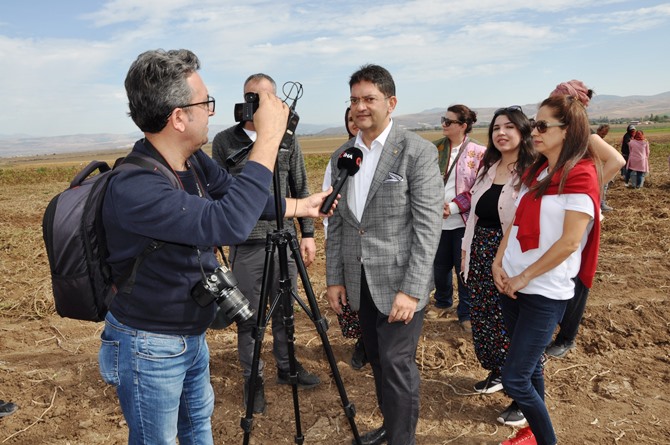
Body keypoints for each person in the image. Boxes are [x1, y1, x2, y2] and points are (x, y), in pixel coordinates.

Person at [98, 49, 332, 445]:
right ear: (178, 117)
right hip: (149, 346)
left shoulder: (192, 162)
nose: (211, 111)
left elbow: (237, 196)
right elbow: (228, 223)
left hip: (188, 335)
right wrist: (270, 137)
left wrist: (298, 207)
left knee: (197, 433)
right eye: (205, 103)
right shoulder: (136, 186)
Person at [325, 64, 442, 445]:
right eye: (355, 99)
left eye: (369, 98)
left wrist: (412, 289)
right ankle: (393, 428)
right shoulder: (343, 155)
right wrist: (335, 278)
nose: (360, 107)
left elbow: (427, 228)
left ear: (390, 103)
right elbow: (339, 222)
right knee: (377, 360)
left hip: (398, 285)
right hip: (359, 283)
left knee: (395, 363)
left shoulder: (417, 152)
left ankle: (402, 439)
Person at [492, 95, 601, 445]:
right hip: (512, 284)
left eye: (541, 126)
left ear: (567, 131)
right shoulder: (537, 170)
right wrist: (499, 260)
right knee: (531, 366)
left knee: (515, 378)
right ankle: (534, 434)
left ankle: (547, 441)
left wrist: (525, 276)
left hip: (544, 292)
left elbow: (570, 243)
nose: (533, 131)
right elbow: (514, 222)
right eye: (534, 124)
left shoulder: (581, 175)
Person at [211, 73, 320, 414]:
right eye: (248, 96)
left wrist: (307, 234)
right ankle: (252, 380)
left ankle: (288, 368)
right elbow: (224, 193)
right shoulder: (225, 142)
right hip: (247, 244)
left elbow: (300, 187)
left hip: (285, 239)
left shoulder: (289, 140)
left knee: (285, 311)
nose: (253, 103)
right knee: (250, 317)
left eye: (262, 98)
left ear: (276, 102)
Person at [461, 106, 535, 427]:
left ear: (522, 132)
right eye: (495, 128)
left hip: (511, 255)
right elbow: (475, 215)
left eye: (509, 127)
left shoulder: (533, 171)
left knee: (514, 324)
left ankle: (523, 396)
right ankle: (498, 372)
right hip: (480, 250)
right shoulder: (488, 168)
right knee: (485, 317)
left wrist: (503, 260)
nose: (501, 133)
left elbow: (525, 223)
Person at [544, 80, 624, 358]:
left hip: (577, 210)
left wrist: (591, 191)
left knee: (576, 271)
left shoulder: (585, 136)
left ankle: (567, 337)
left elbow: (616, 161)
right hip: (559, 209)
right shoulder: (557, 134)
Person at [427, 104, 486, 333]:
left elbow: (479, 187)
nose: (444, 124)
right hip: (436, 221)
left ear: (463, 126)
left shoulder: (479, 152)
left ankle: (466, 312)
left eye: (449, 121)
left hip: (462, 221)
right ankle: (443, 302)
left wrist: (452, 207)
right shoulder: (435, 149)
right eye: (444, 119)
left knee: (464, 268)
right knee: (439, 267)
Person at [321, 107, 367, 370]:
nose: (355, 123)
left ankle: (376, 342)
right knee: (351, 292)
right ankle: (361, 341)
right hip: (346, 238)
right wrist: (330, 236)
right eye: (350, 120)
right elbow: (329, 201)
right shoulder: (340, 157)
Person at [595, 124, 613, 211]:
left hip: (600, 166)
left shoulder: (600, 141)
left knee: (603, 185)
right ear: (598, 130)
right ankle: (600, 204)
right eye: (602, 133)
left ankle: (600, 203)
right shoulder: (594, 140)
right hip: (595, 166)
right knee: (601, 185)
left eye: (605, 134)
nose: (603, 135)